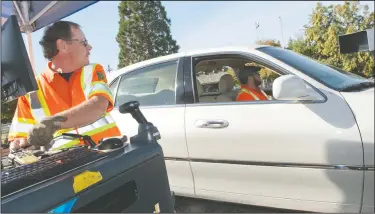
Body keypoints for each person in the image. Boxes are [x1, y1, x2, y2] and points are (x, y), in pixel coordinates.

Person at [8, 21, 122, 151]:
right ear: (62, 46)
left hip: (111, 159)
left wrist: (54, 123)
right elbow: (18, 143)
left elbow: (99, 105)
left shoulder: (93, 71)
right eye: (84, 42)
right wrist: (27, 144)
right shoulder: (30, 93)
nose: (89, 47)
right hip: (66, 168)